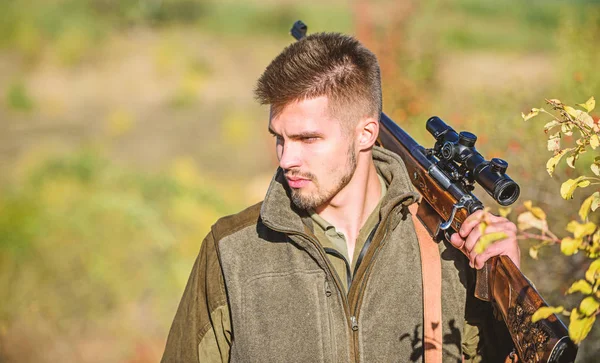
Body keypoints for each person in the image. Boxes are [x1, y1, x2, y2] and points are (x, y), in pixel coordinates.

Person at [161, 32, 519, 362]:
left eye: (308, 139)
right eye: (280, 138)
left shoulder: (452, 249)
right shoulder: (231, 251)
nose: (286, 159)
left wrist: (509, 293)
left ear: (365, 134)